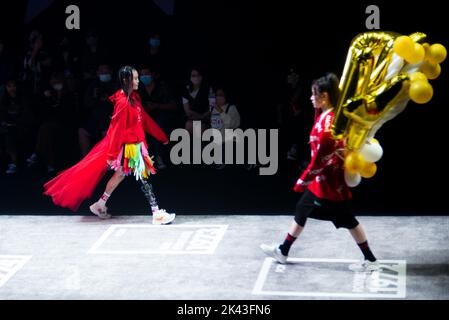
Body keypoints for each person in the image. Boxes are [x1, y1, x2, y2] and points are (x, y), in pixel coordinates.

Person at [260, 73, 379, 272]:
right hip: (322, 182)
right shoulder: (328, 115)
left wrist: (302, 180)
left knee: (348, 220)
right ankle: (283, 250)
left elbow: (318, 161)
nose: (310, 98)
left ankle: (371, 260)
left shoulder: (328, 126)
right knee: (302, 209)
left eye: (314, 94)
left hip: (329, 184)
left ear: (324, 96)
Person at [43, 66, 175, 225]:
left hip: (135, 144)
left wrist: (161, 136)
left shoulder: (133, 98)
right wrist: (112, 155)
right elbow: (116, 130)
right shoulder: (122, 103)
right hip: (129, 147)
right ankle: (156, 213)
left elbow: (145, 119)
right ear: (126, 80)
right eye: (135, 78)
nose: (138, 81)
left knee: (120, 174)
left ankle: (100, 204)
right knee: (143, 177)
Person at [209, 86, 240, 170]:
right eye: (217, 95)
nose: (218, 97)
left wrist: (220, 111)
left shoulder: (231, 108)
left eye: (221, 95)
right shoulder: (212, 109)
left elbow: (234, 124)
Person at [182, 68, 210, 133]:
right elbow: (187, 111)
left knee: (199, 128)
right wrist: (201, 116)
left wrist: (204, 117)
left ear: (202, 77)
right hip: (192, 118)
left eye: (198, 75)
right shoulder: (186, 91)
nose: (196, 77)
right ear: (190, 77)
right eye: (193, 75)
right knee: (188, 125)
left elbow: (212, 107)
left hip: (206, 119)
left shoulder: (208, 89)